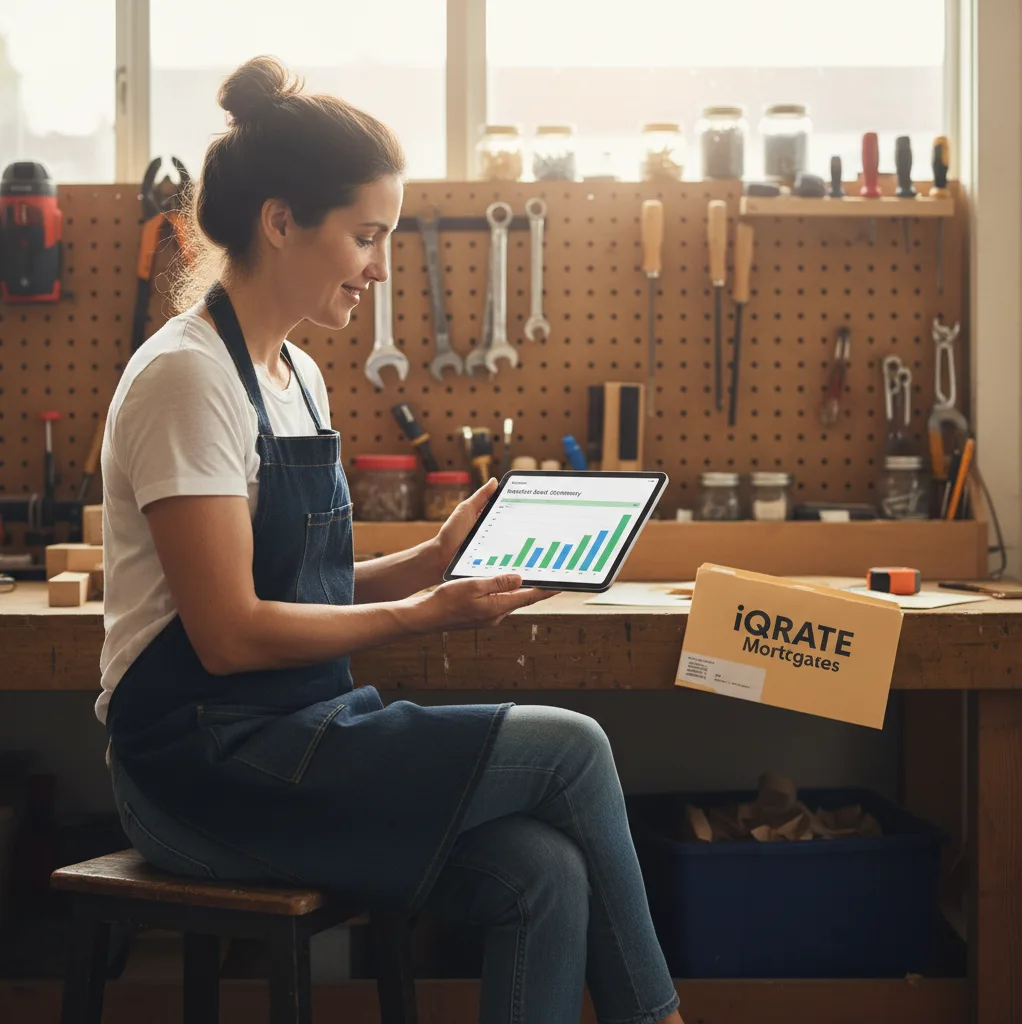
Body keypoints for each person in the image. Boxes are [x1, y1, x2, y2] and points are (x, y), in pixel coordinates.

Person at [98, 55, 683, 1024]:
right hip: (202, 771)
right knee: (572, 747)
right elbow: (229, 633)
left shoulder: (294, 375)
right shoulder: (187, 380)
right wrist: (421, 615)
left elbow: (296, 586)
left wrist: (432, 562)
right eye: (366, 236)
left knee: (543, 871)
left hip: (297, 737)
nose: (379, 265)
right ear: (282, 221)